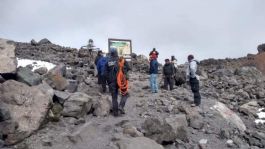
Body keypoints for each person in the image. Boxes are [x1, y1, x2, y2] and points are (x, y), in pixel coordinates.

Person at [105, 49, 130, 116]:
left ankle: (115, 113)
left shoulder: (107, 61)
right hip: (121, 81)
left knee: (114, 97)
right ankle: (121, 106)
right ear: (116, 53)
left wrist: (108, 81)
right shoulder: (121, 59)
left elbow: (105, 73)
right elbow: (128, 67)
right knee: (125, 94)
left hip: (111, 82)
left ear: (111, 53)